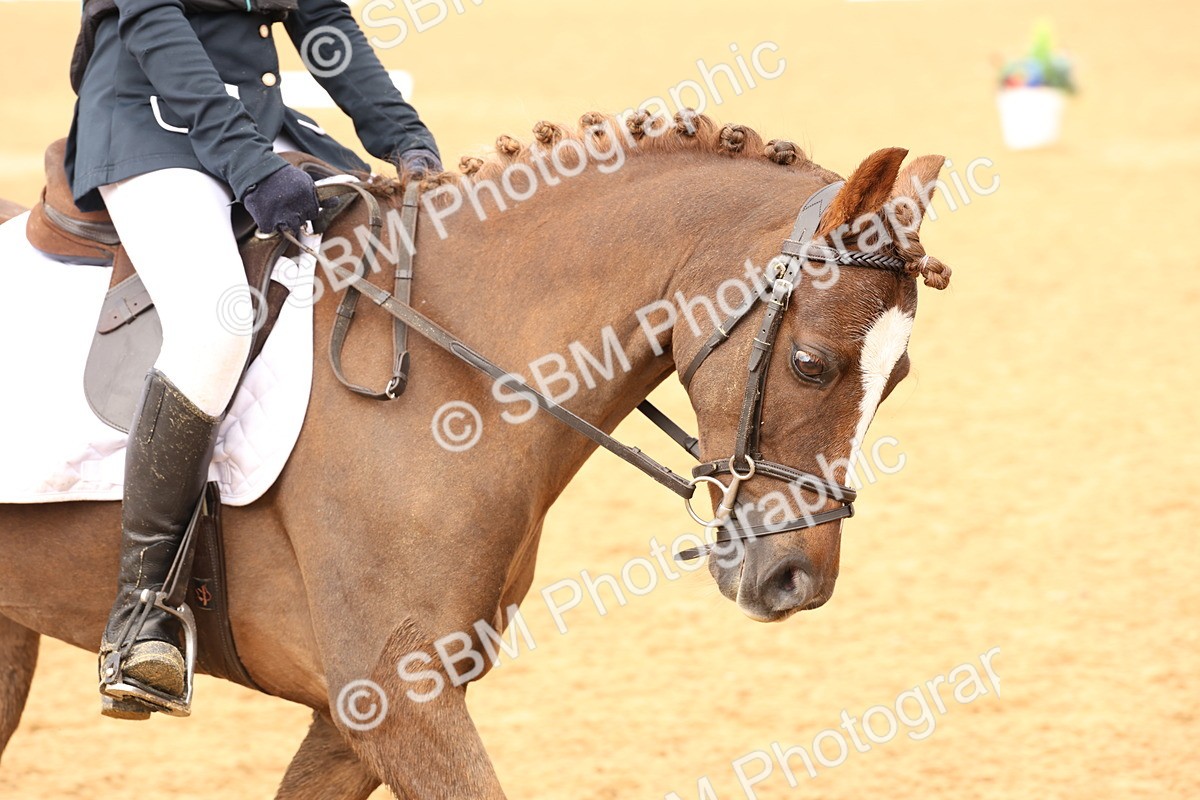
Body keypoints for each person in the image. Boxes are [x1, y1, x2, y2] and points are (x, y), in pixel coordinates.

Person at [63, 0, 442, 719]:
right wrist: (247, 164)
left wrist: (404, 137)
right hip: (151, 120)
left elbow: (321, 18)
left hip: (257, 123)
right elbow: (152, 20)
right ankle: (142, 612)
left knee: (389, 252)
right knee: (216, 323)